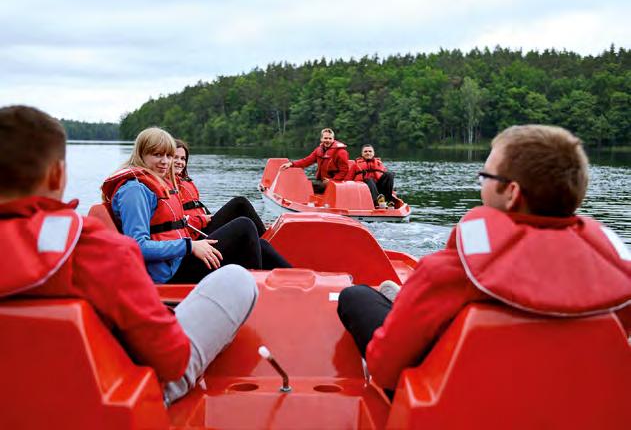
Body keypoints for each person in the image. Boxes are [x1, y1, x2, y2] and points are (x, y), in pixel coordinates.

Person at [337, 124, 631, 393]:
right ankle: (400, 300)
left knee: (356, 296)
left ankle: (400, 303)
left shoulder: (449, 271)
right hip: (568, 399)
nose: (481, 184)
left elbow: (385, 367)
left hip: (458, 399)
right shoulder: (618, 285)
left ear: (512, 192)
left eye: (485, 176)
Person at [0, 105, 258, 406]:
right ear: (57, 175)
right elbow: (172, 360)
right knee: (236, 281)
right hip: (90, 404)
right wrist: (187, 247)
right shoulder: (97, 250)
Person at [102, 127, 291, 284]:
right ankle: (254, 297)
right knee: (244, 227)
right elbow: (138, 246)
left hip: (177, 260)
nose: (165, 162)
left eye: (168, 155)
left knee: (261, 244)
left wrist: (191, 244)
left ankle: (303, 282)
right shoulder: (135, 190)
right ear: (141, 154)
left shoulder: (154, 182)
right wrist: (190, 246)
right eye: (157, 155)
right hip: (170, 274)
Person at [174, 139, 267, 238]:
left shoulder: (183, 180)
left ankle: (265, 240)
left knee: (241, 213)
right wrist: (204, 219)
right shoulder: (168, 185)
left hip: (204, 226)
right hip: (197, 235)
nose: (180, 162)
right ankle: (267, 238)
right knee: (240, 203)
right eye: (176, 157)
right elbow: (175, 221)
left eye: (183, 158)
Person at [279, 128, 349, 194]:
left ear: (333, 139)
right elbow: (306, 161)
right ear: (321, 139)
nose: (327, 140)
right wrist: (291, 164)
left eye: (330, 138)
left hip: (336, 183)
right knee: (300, 183)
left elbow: (344, 170)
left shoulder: (341, 152)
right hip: (322, 181)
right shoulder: (318, 150)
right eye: (325, 138)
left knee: (306, 186)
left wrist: (332, 181)